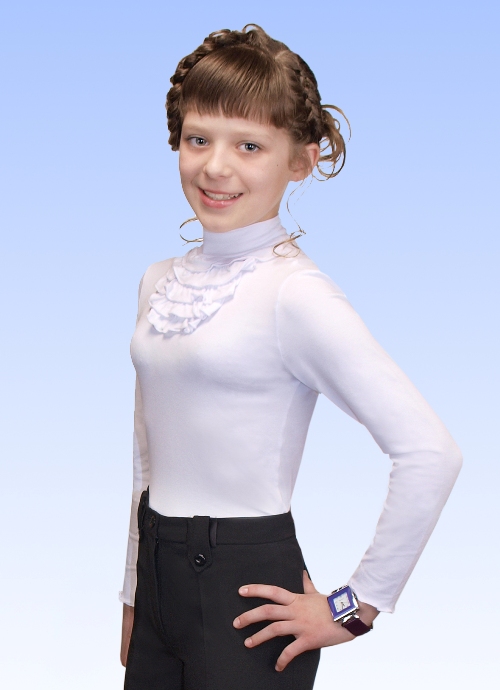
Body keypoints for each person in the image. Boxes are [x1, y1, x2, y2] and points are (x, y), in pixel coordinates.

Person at [119, 24, 462, 690]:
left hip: (247, 595)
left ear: (301, 161)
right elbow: (147, 452)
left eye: (249, 145)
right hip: (157, 584)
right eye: (198, 139)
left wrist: (352, 609)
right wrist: (134, 594)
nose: (216, 167)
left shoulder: (295, 294)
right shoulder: (158, 283)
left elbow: (431, 453)